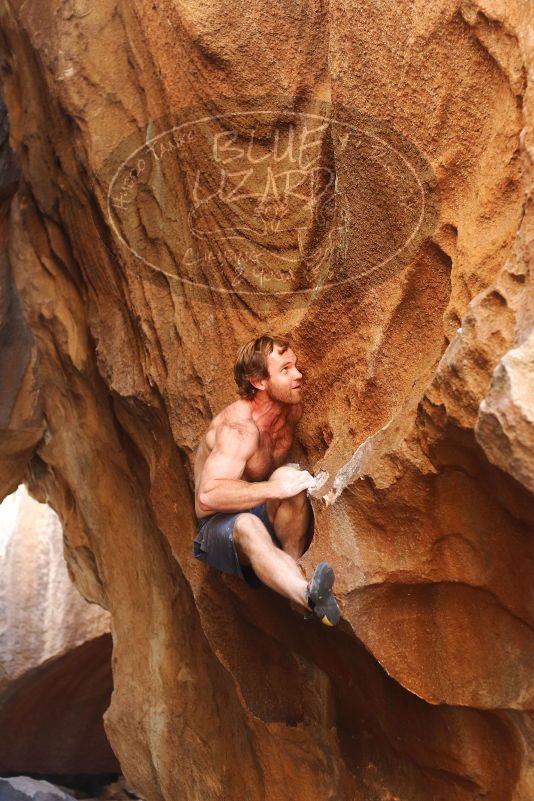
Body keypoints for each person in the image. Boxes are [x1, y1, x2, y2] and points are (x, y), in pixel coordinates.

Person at [192, 333, 340, 626]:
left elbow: (284, 483)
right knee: (249, 522)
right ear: (258, 382)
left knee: (292, 477)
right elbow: (205, 499)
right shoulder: (239, 429)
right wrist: (273, 489)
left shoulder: (290, 410)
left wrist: (281, 486)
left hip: (261, 512)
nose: (298, 375)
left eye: (295, 366)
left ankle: (295, 575)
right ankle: (307, 597)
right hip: (220, 525)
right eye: (285, 370)